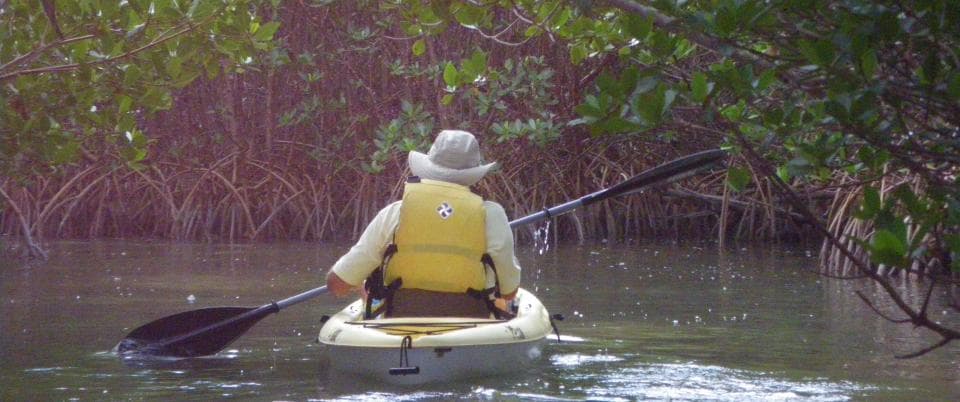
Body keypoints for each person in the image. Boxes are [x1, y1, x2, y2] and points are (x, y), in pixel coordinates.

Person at [325, 130, 522, 318]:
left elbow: (337, 284)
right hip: (472, 321)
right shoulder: (493, 215)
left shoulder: (394, 213)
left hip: (401, 323)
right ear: (474, 173)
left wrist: (359, 285)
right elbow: (509, 293)